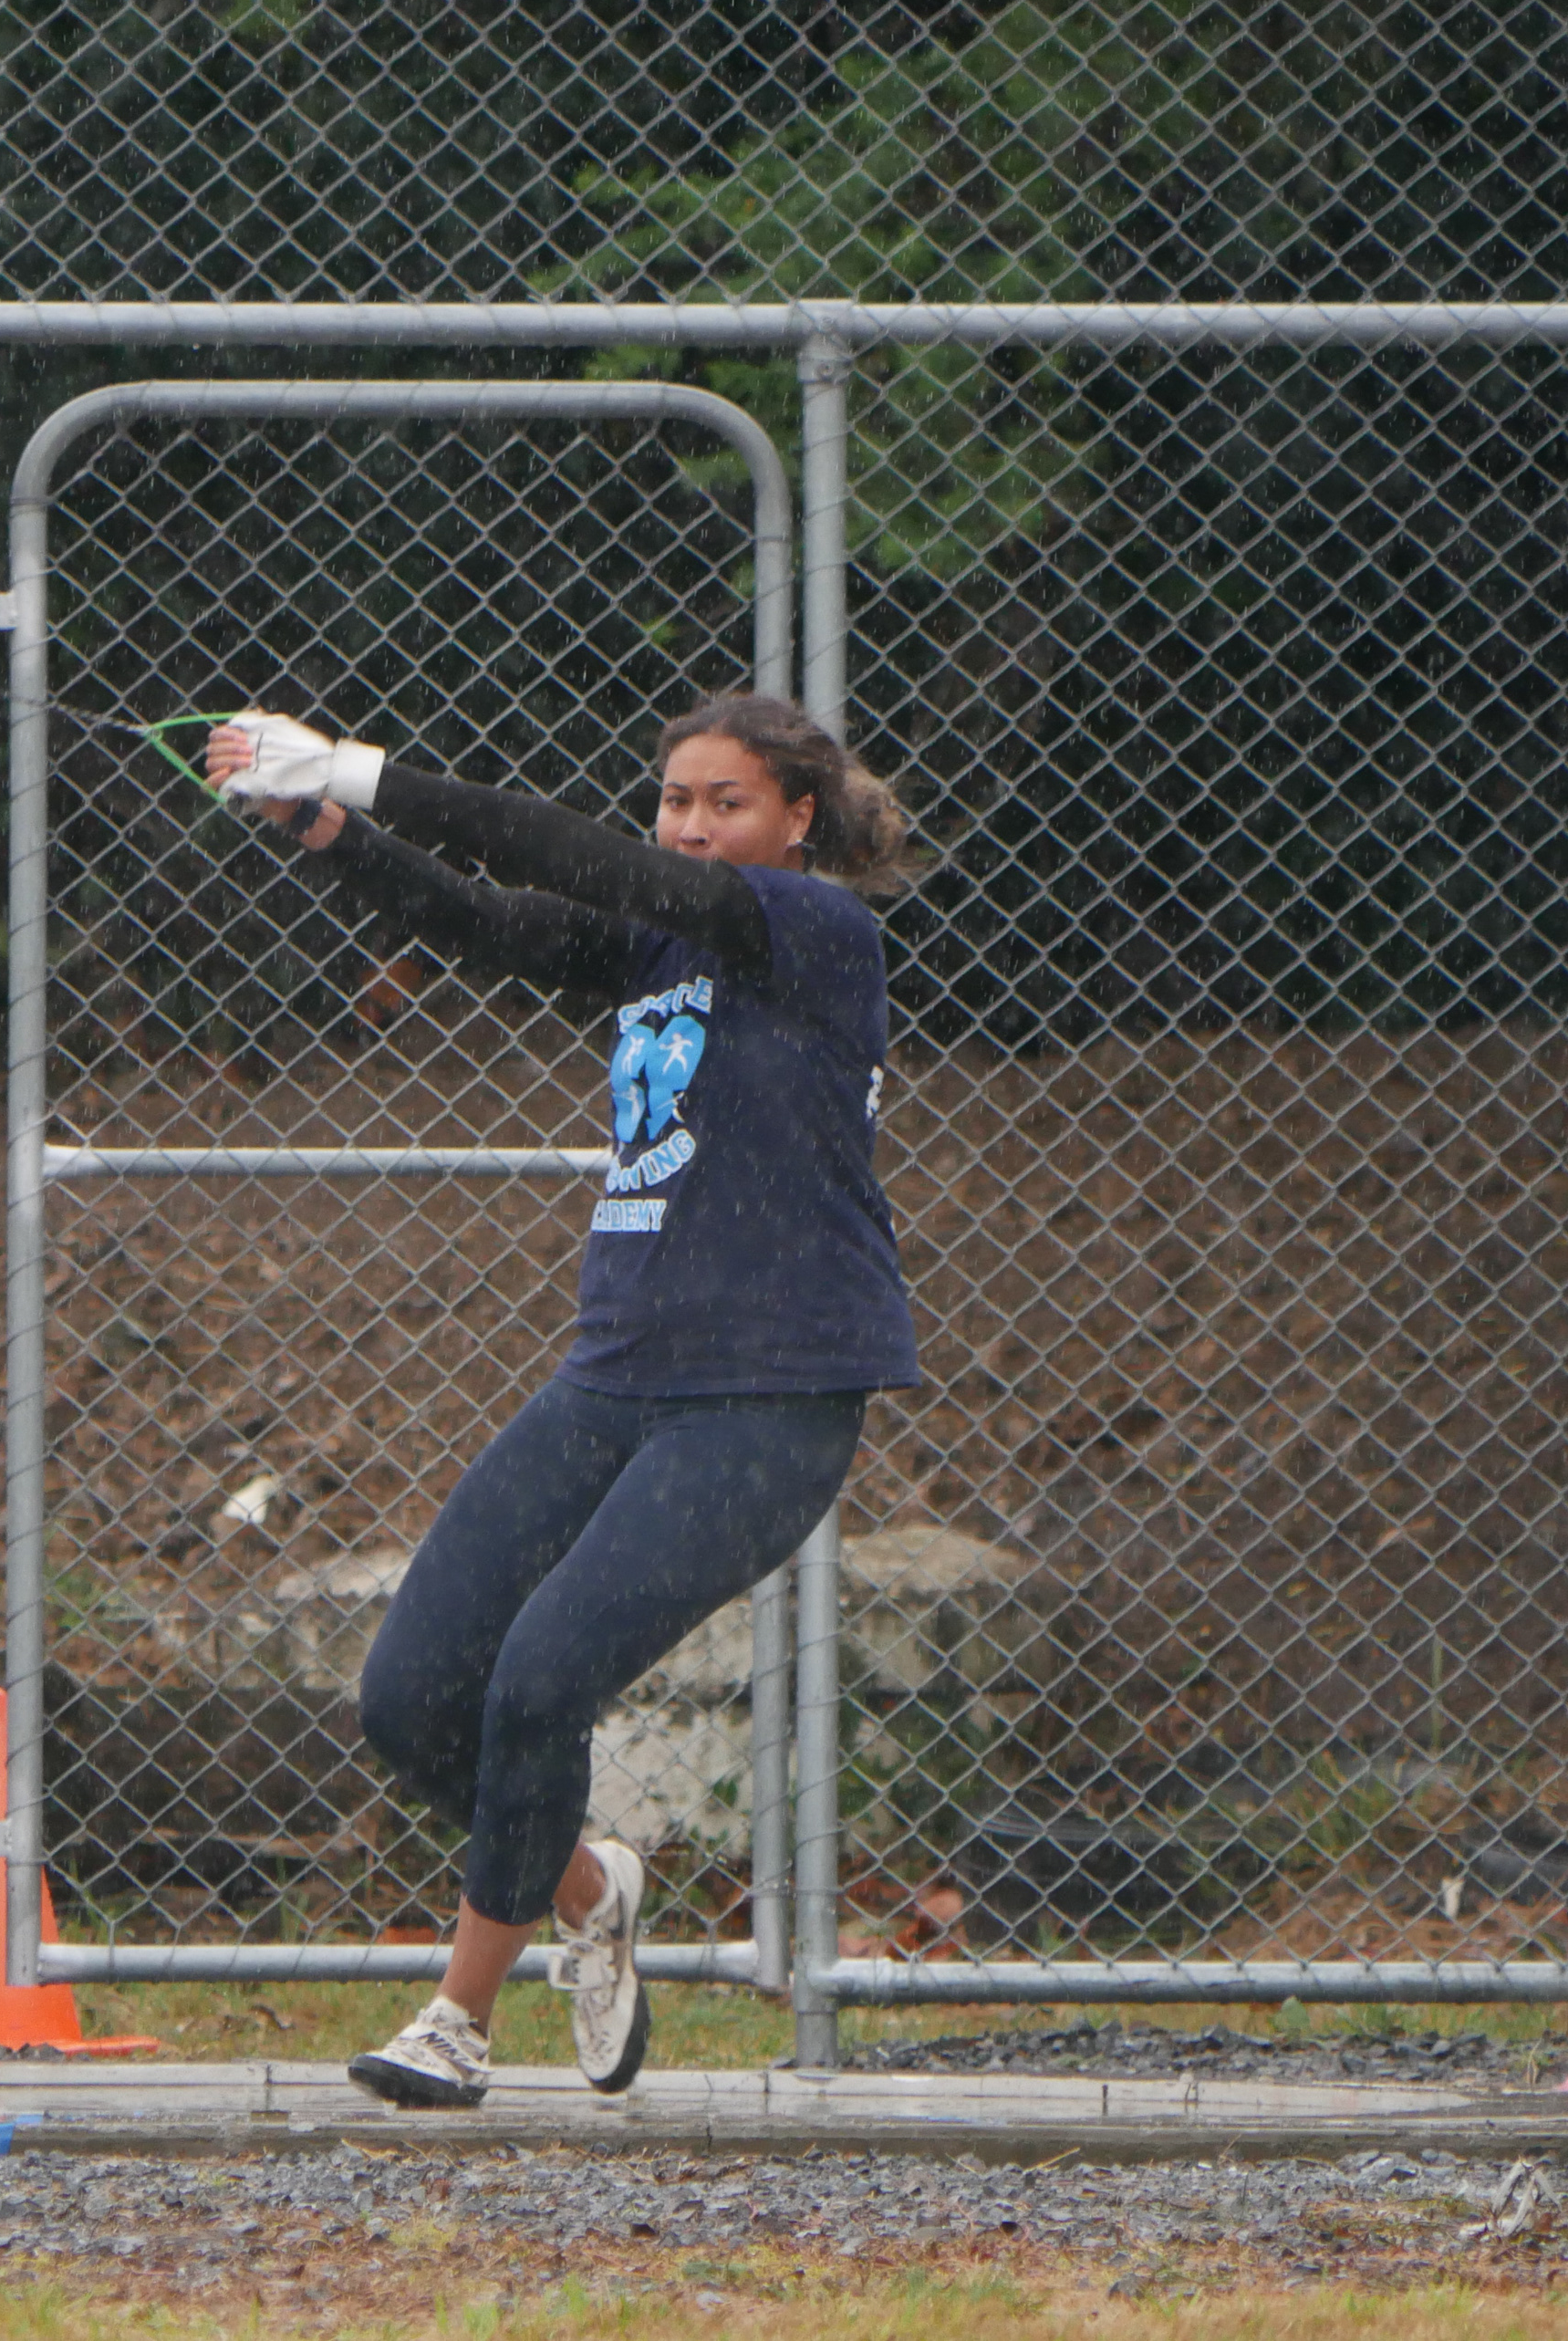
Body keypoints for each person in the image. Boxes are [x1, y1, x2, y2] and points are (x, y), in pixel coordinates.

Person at [207, 692, 921, 2108]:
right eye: (676, 799)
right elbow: (486, 921)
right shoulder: (661, 946)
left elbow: (582, 859)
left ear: (799, 819)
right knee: (413, 1702)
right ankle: (591, 1891)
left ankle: (457, 2024)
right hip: (616, 1376)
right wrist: (327, 826)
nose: (691, 826)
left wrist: (362, 765)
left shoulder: (816, 929)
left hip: (769, 1395)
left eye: (726, 802)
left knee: (538, 1682)